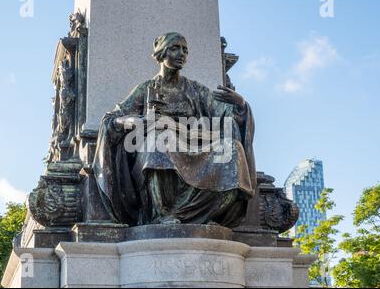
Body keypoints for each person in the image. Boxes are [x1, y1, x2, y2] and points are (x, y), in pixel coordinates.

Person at [93, 32, 257, 227]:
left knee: (233, 150)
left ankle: (201, 215)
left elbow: (224, 115)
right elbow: (111, 119)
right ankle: (162, 214)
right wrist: (135, 121)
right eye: (175, 48)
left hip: (195, 146)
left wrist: (241, 106)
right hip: (161, 146)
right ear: (161, 53)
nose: (182, 54)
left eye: (185, 50)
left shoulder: (196, 90)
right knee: (160, 140)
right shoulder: (146, 89)